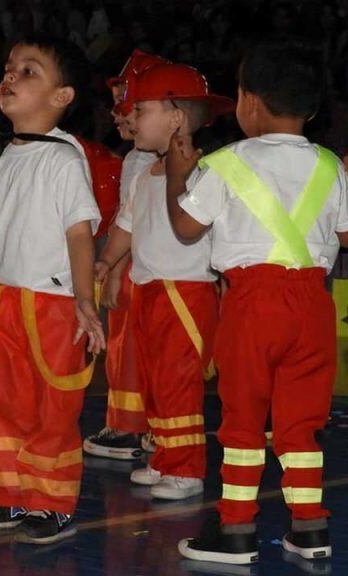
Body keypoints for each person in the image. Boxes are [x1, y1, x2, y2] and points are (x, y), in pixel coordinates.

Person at [165, 37, 348, 564]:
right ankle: (309, 527)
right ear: (314, 106)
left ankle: (235, 529)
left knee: (244, 417)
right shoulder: (327, 164)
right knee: (301, 422)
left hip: (252, 305)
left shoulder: (227, 162)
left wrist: (176, 175)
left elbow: (186, 227)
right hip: (313, 307)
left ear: (248, 102)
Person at [0, 35, 106, 545]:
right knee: (7, 402)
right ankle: (13, 496)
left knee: (54, 408)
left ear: (61, 97)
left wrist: (85, 299)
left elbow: (79, 232)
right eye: (9, 67)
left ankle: (54, 503)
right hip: (10, 303)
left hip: (57, 305)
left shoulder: (64, 159)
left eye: (29, 71)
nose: (11, 76)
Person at [96, 62, 233, 500]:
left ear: (175, 119)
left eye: (142, 110)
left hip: (186, 293)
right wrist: (105, 263)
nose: (132, 119)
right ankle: (163, 457)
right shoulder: (144, 176)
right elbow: (126, 227)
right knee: (154, 379)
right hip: (150, 291)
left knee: (178, 382)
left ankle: (187, 470)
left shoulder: (202, 172)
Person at [83, 50, 166, 461]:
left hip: (134, 268)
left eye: (126, 106)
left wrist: (114, 271)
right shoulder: (150, 157)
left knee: (128, 347)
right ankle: (144, 424)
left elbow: (132, 221)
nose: (117, 116)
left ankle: (130, 427)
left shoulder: (142, 159)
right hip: (142, 265)